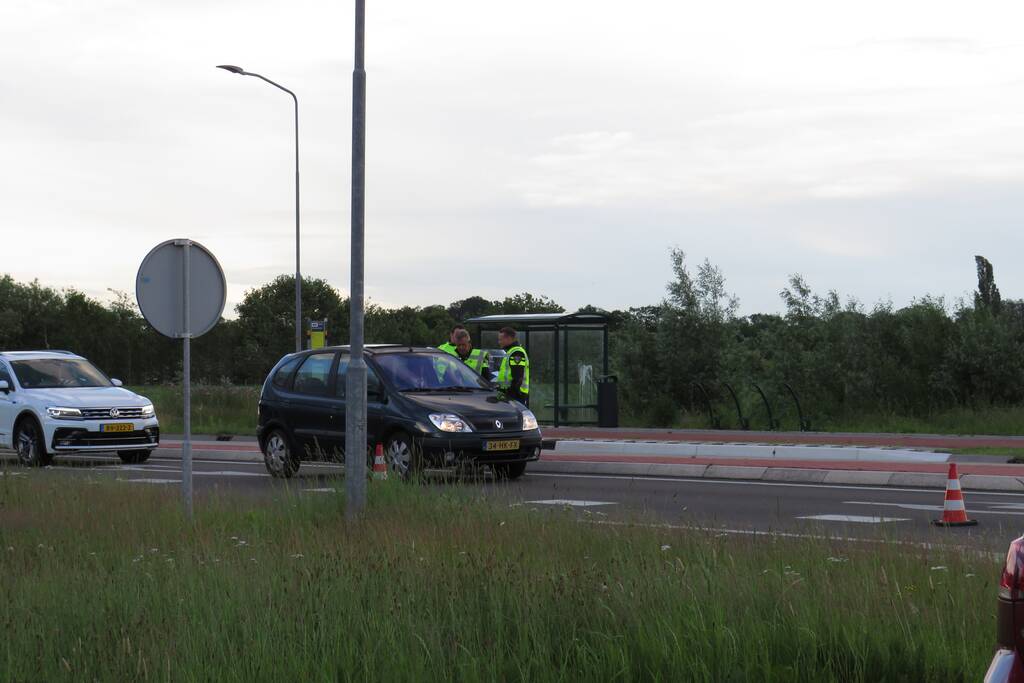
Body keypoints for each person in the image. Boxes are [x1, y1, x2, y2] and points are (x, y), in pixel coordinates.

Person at [496, 326, 529, 406]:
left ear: (509, 339)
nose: (499, 342)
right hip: (510, 394)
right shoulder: (511, 351)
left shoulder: (516, 352)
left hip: (515, 396)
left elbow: (518, 378)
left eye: (501, 339)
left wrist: (510, 394)